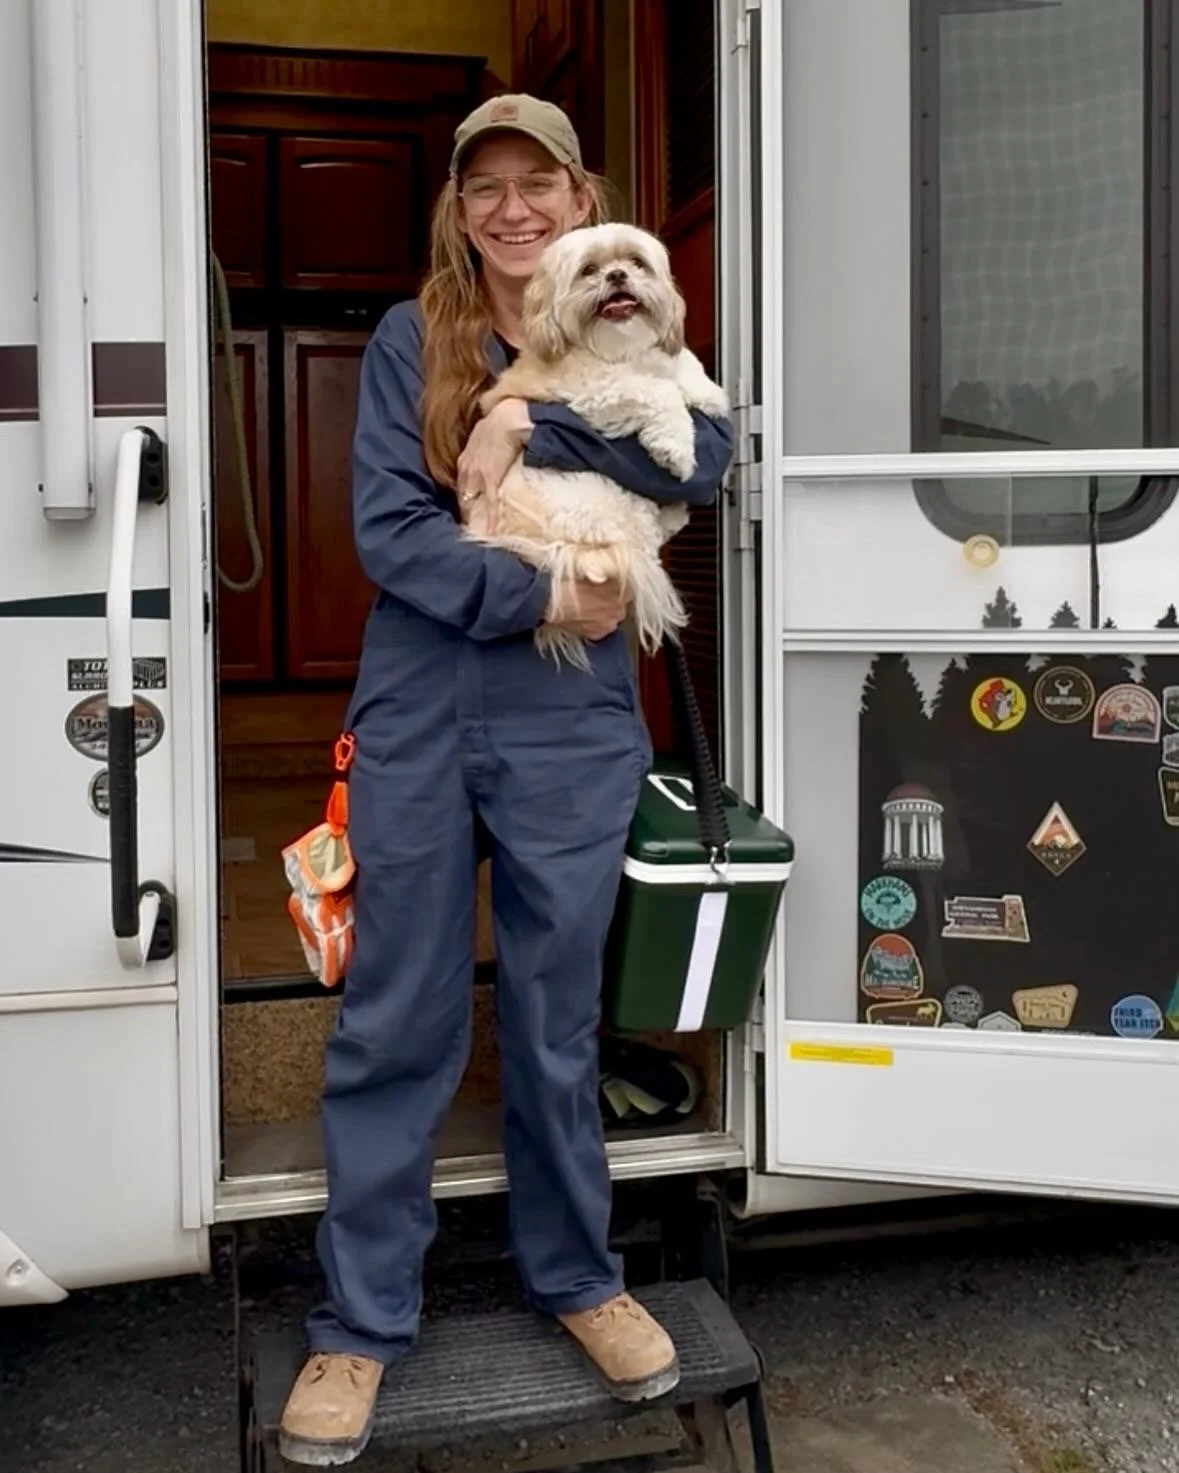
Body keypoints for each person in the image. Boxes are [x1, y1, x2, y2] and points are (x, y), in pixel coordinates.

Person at [279, 94, 734, 1466]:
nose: (514, 207)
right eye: (489, 187)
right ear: (460, 209)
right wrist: (544, 594)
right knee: (394, 1018)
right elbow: (389, 531)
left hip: (569, 731)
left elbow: (703, 459)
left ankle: (579, 1282)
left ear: (577, 197)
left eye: (540, 182)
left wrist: (524, 433)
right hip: (425, 706)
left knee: (550, 1020)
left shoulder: (628, 321)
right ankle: (358, 1329)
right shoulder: (415, 340)